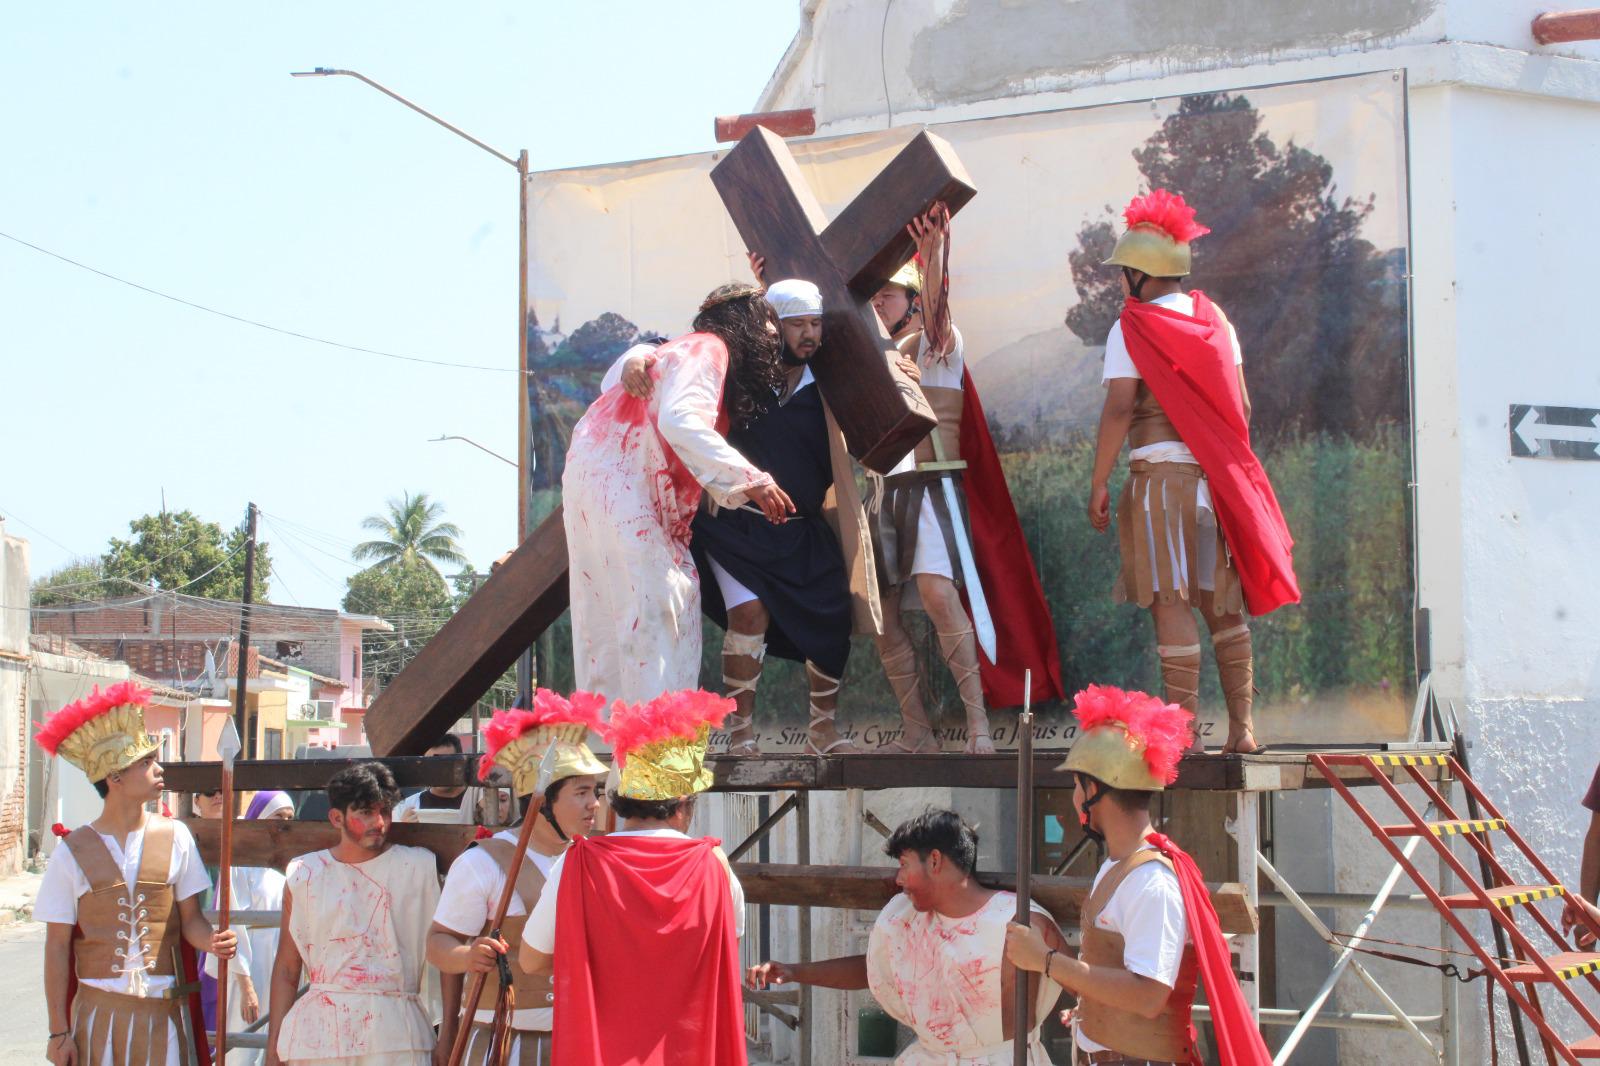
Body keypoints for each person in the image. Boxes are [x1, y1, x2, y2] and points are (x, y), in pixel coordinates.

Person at [619, 273, 895, 755]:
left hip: (801, 527)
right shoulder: (734, 371)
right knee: (748, 614)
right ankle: (739, 733)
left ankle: (823, 733)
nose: (809, 335)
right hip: (735, 527)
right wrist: (633, 358)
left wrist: (900, 373)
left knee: (831, 619)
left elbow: (888, 386)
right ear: (772, 326)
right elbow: (663, 350)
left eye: (815, 324)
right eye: (796, 325)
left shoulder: (829, 382)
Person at [1088, 189, 1299, 754]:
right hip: (1213, 485)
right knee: (1220, 603)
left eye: (1122, 272)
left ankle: (1183, 739)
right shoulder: (1216, 319)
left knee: (1171, 602)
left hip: (1158, 483)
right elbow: (1243, 408)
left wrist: (1098, 480)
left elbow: (1118, 408)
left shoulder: (1129, 328)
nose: (1119, 282)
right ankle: (1243, 730)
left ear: (1139, 274)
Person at [870, 205, 1063, 754]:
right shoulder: (867, 355)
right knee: (880, 615)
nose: (882, 301)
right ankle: (917, 730)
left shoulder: (938, 348)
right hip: (884, 494)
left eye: (892, 293)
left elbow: (938, 318)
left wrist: (932, 260)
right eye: (877, 294)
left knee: (937, 593)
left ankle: (977, 724)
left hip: (933, 488)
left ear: (912, 300)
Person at [1003, 685, 1270, 1065]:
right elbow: (1116, 975)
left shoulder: (1151, 883)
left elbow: (1148, 995)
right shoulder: (1118, 867)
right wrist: (1091, 1015)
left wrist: (1045, 960)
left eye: (1076, 784)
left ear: (1092, 789)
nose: (1074, 796)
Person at [563, 283, 793, 703]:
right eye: (765, 321)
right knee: (662, 630)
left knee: (608, 639)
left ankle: (600, 760)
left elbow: (614, 387)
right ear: (739, 323)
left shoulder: (675, 351)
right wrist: (753, 479)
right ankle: (656, 761)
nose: (773, 334)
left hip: (594, 492)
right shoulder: (709, 348)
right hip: (631, 498)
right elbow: (680, 419)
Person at [519, 690, 747, 1066]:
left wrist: (597, 958)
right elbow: (724, 952)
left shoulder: (579, 862)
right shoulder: (715, 865)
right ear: (683, 804)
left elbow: (531, 959)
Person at [746, 808, 1063, 1064]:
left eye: (904, 864)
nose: (898, 879)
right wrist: (794, 971)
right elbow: (875, 970)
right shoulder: (904, 918)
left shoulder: (1016, 922)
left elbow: (1067, 982)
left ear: (935, 861)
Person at [36, 681, 238, 1066]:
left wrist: (212, 942)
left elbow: (191, 921)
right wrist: (59, 1031)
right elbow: (57, 947)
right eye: (146, 762)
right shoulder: (71, 853)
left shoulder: (177, 835)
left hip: (164, 1018)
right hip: (96, 1017)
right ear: (114, 778)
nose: (159, 769)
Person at [429, 691, 608, 1066]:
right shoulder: (483, 864)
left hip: (578, 1040)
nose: (594, 804)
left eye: (596, 791)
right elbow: (437, 944)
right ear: (542, 802)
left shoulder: (595, 861)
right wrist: (467, 955)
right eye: (581, 792)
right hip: (502, 1043)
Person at [264, 762, 441, 1066]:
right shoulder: (304, 874)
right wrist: (274, 1046)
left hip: (397, 1035)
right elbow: (286, 968)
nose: (379, 822)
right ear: (336, 818)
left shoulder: (419, 868)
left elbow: (445, 956)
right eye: (365, 813)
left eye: (384, 811)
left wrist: (449, 1030)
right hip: (317, 1038)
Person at [197, 790, 294, 1065]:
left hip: (276, 958)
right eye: (278, 817)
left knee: (271, 1041)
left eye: (289, 818)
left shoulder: (287, 866)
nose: (284, 823)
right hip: (247, 966)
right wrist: (245, 984)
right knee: (241, 1042)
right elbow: (232, 921)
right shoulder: (239, 863)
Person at [395, 734, 473, 824]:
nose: (438, 771)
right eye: (431, 764)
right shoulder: (407, 807)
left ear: (460, 764)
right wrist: (402, 830)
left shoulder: (478, 802)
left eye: (445, 764)